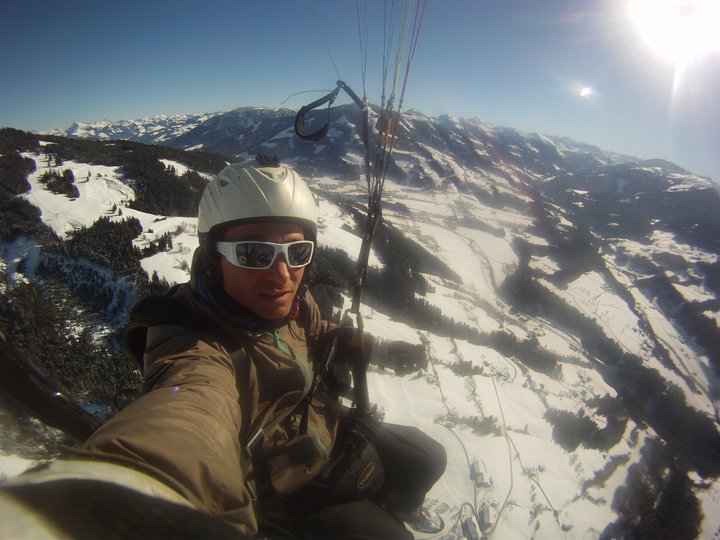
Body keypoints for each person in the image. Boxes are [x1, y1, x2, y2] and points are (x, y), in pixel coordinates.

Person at [81, 157, 447, 539]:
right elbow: (190, 407)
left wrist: (380, 350)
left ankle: (397, 504)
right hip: (288, 487)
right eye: (255, 254)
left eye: (297, 252)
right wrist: (141, 494)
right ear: (214, 257)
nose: (282, 275)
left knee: (428, 457)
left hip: (326, 426)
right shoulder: (195, 344)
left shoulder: (294, 305)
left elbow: (321, 332)